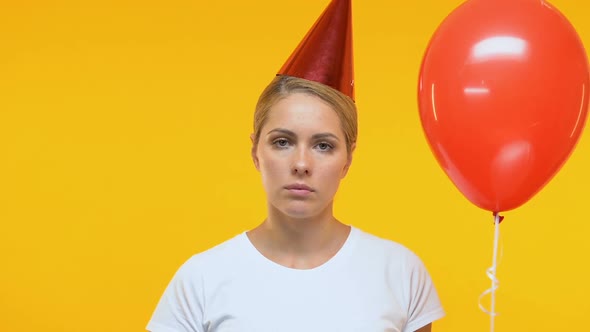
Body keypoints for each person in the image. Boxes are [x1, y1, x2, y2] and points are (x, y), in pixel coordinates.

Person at [146, 1, 445, 331]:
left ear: (348, 158)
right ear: (255, 151)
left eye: (323, 145)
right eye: (282, 142)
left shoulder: (401, 273)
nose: (301, 164)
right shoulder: (200, 279)